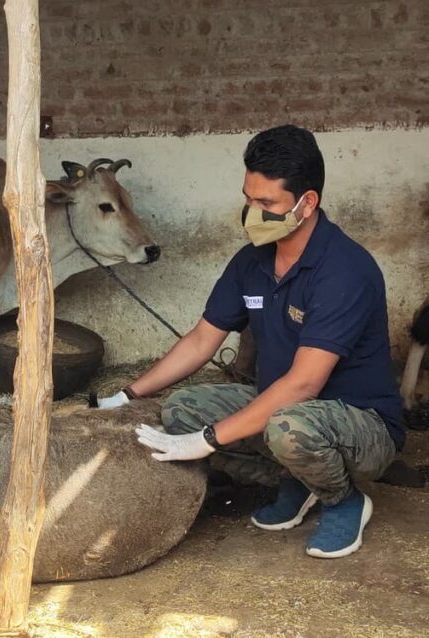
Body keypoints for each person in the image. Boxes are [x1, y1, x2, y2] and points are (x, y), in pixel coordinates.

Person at [98, 125, 402, 559]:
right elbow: (203, 339)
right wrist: (126, 395)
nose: (251, 212)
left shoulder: (345, 270)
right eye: (247, 197)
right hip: (285, 409)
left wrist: (208, 439)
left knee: (287, 426)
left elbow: (303, 386)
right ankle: (298, 480)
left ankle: (345, 499)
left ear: (307, 202)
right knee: (182, 410)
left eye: (266, 203)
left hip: (361, 426)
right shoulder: (252, 261)